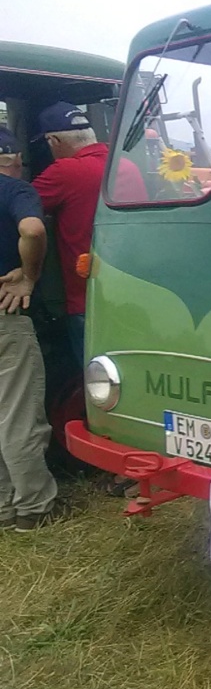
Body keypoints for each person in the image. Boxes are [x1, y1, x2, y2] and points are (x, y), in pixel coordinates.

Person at [31, 102, 146, 367]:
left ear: (53, 140)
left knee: (94, 377)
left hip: (87, 300)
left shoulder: (64, 171)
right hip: (130, 294)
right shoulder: (127, 165)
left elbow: (16, 205)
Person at [0, 127, 63, 532]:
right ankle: (34, 507)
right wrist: (29, 276)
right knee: (17, 413)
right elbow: (34, 230)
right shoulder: (15, 190)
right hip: (5, 314)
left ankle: (3, 509)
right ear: (15, 158)